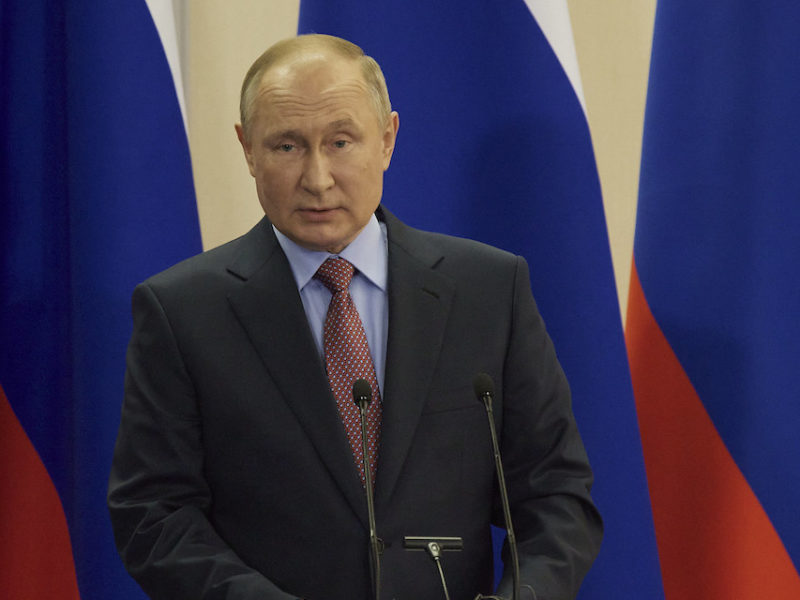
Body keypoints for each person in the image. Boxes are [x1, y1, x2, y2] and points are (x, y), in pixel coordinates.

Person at [108, 34, 602, 600]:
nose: (317, 179)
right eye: (287, 147)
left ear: (387, 139)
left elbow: (555, 492)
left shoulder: (488, 290)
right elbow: (154, 515)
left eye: (341, 142)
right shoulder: (182, 311)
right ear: (247, 149)